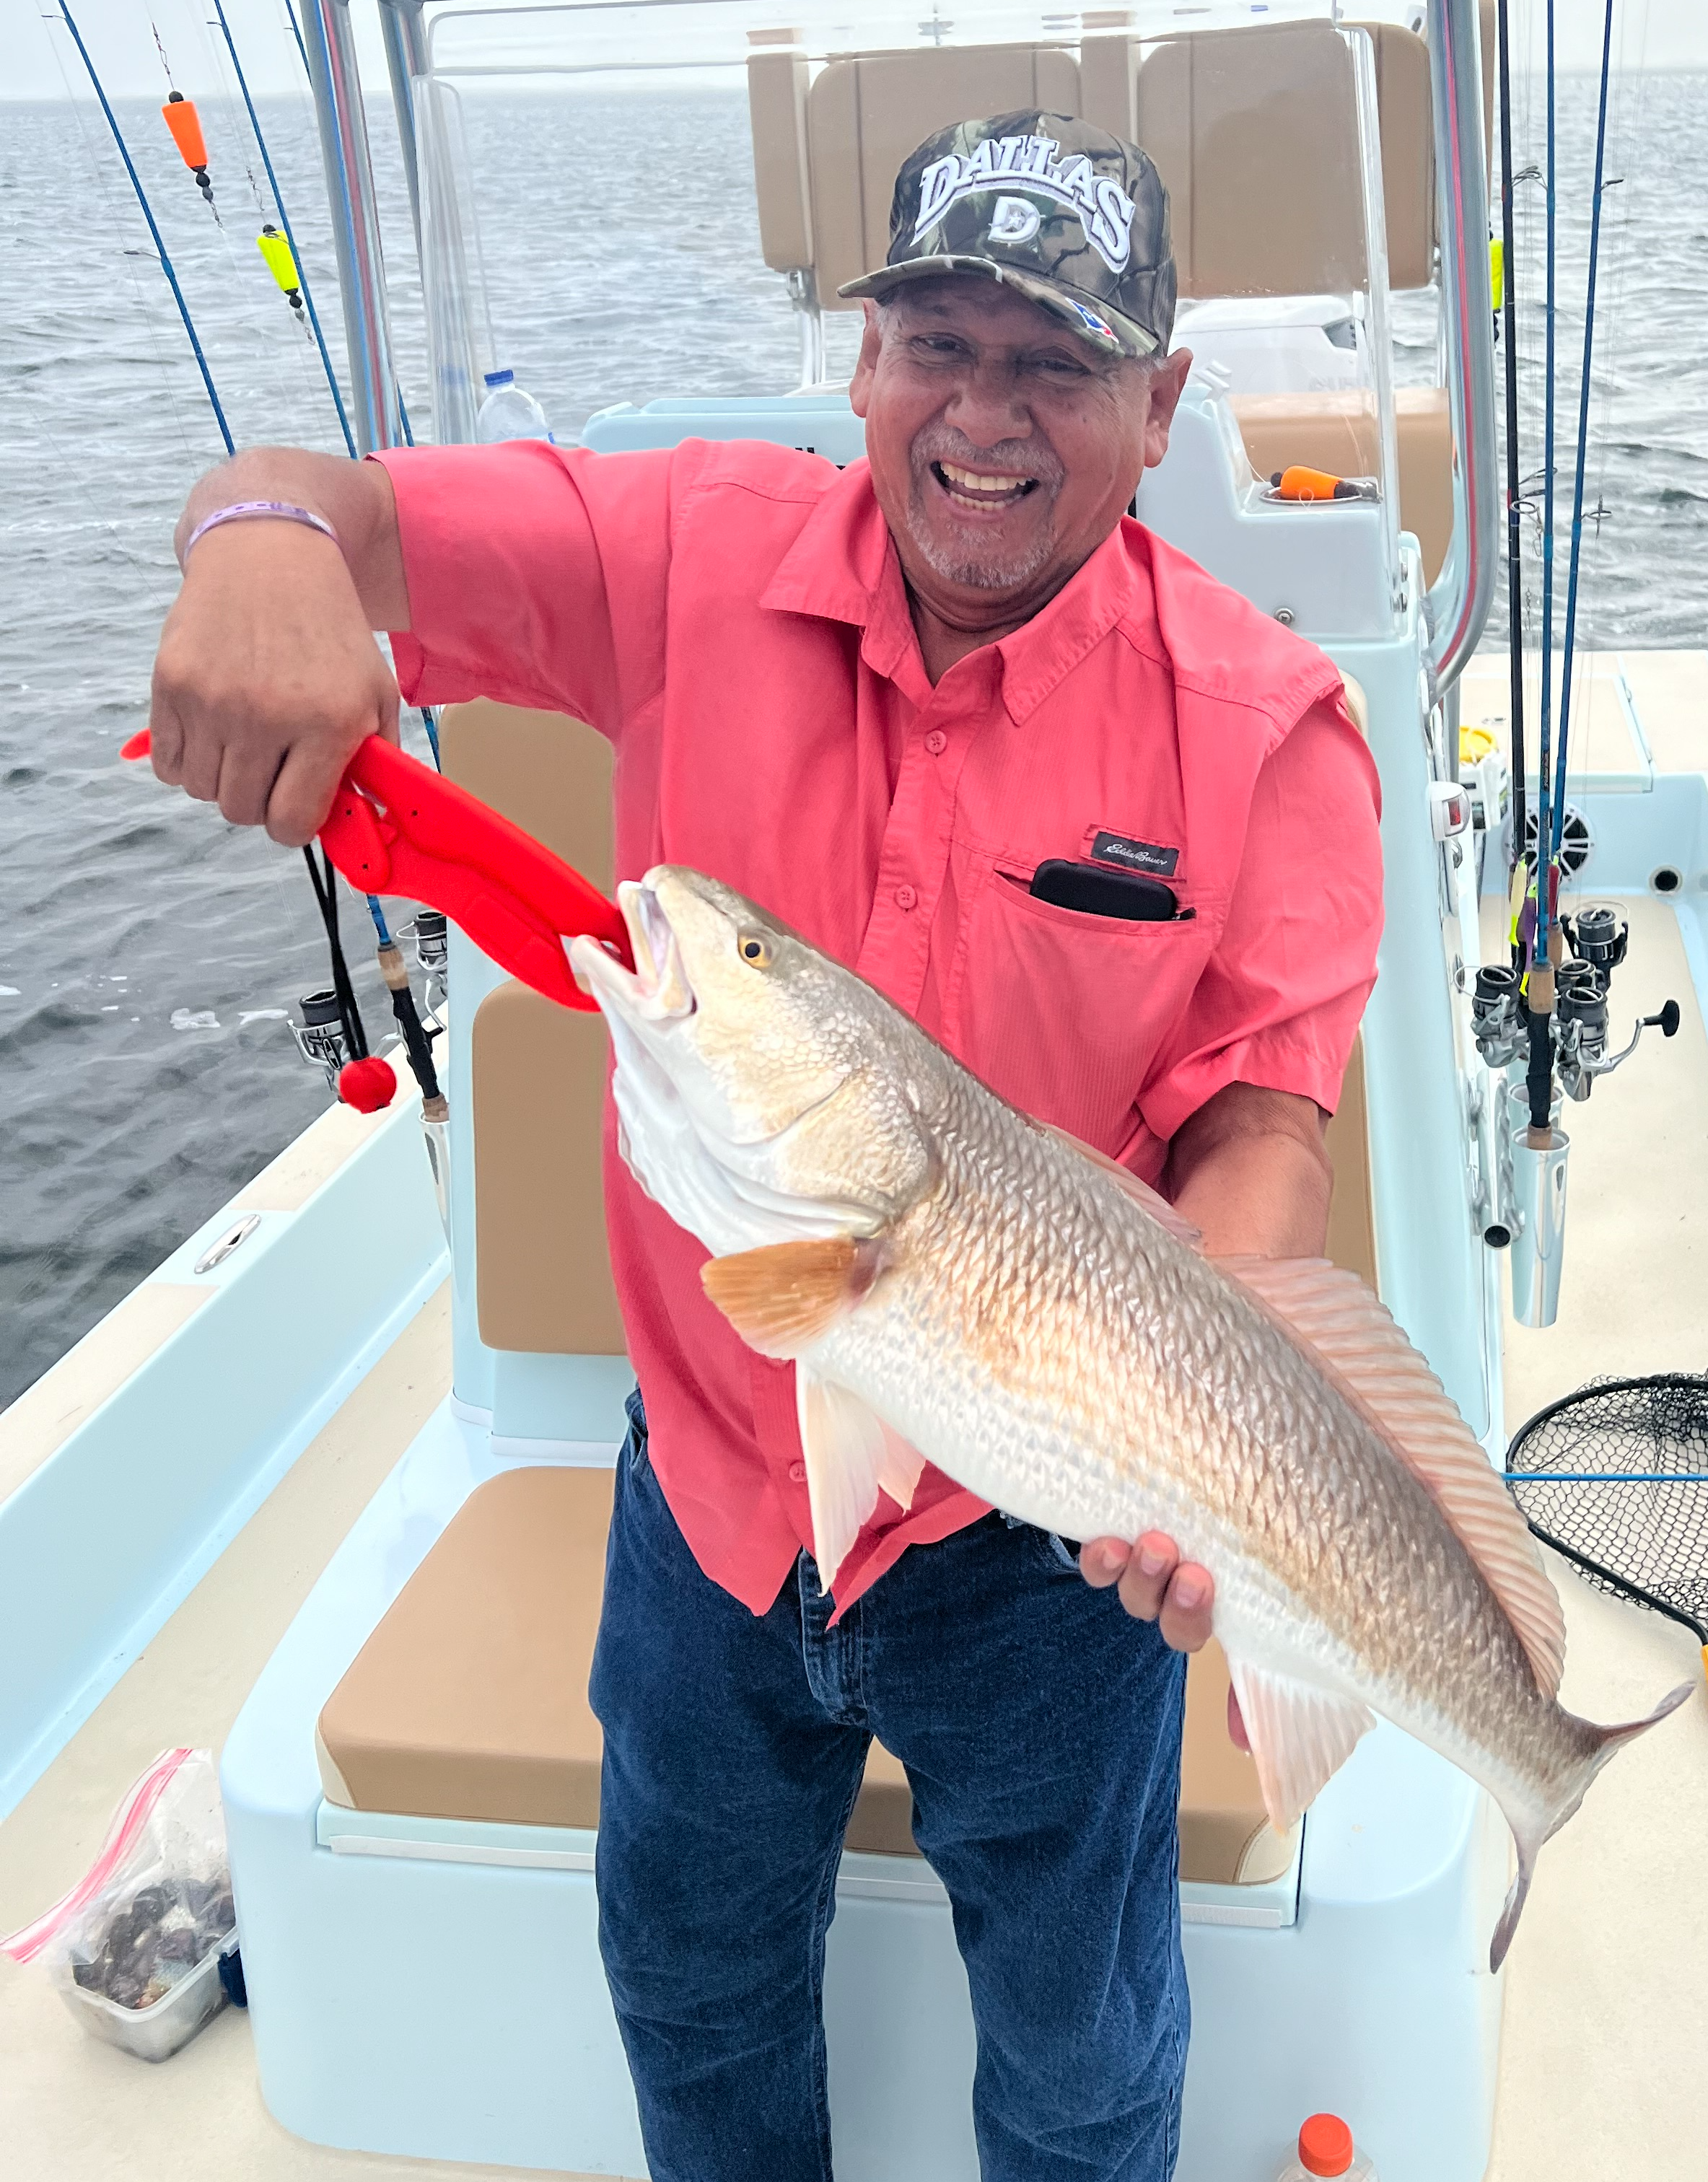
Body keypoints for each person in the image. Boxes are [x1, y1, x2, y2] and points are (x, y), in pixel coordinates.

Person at [148, 113, 1383, 2182]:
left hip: (1045, 1539)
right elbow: (332, 512)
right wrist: (258, 545)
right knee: (693, 1980)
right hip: (710, 1491)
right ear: (862, 363)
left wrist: (1208, 1449)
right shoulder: (688, 551)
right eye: (938, 344)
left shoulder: (1266, 729)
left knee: (1082, 2049)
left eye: (1058, 365)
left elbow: (1260, 1136)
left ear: (1160, 407)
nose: (984, 417)